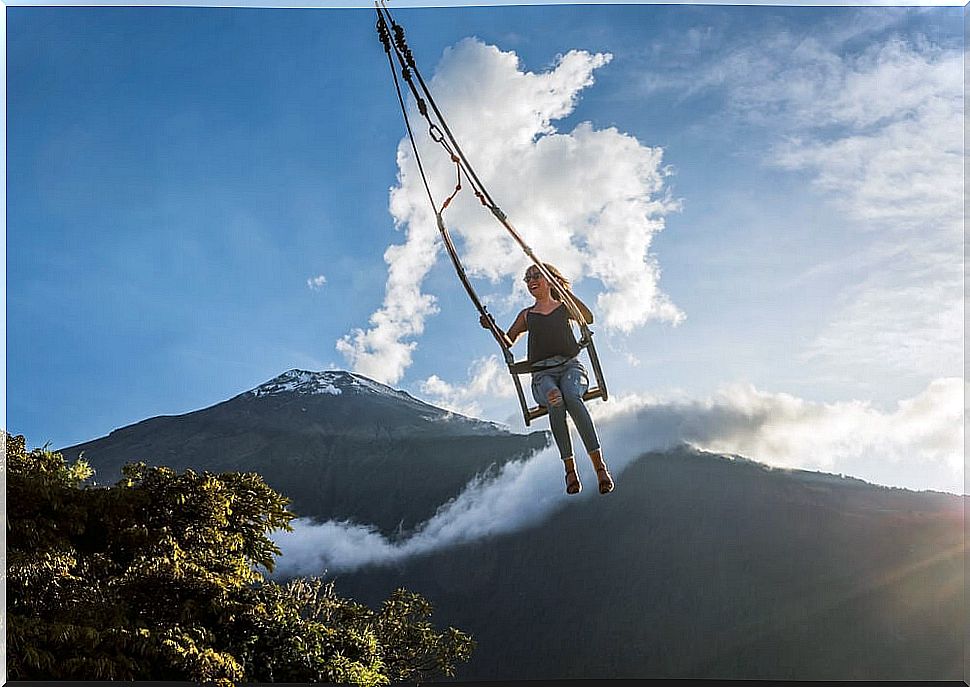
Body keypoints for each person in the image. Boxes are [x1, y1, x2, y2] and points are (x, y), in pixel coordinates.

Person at [481, 263, 614, 495]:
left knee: (571, 396)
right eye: (527, 277)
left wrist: (563, 291)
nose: (531, 280)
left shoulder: (564, 306)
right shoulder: (527, 315)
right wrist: (492, 327)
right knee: (555, 398)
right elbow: (508, 341)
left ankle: (600, 467)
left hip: (571, 368)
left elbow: (588, 318)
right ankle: (570, 470)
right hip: (543, 375)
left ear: (549, 279)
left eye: (536, 275)